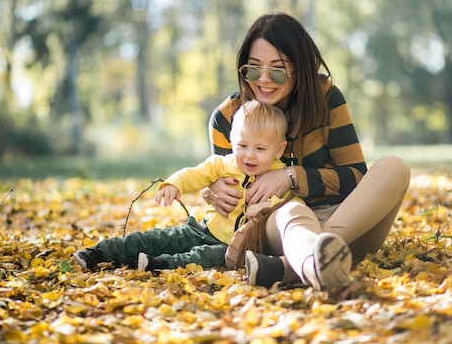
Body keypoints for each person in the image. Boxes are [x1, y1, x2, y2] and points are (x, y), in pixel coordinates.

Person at [203, 12, 411, 293]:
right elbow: (228, 190)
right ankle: (313, 261)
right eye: (253, 69)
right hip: (278, 225)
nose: (263, 80)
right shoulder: (227, 118)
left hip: (345, 222)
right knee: (291, 210)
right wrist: (211, 189)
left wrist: (291, 176)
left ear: (300, 68)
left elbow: (355, 177)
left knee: (394, 167)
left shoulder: (327, 100)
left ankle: (290, 267)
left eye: (277, 70)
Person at [73, 100, 299, 271]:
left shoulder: (278, 177)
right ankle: (99, 252)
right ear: (232, 140)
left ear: (278, 150)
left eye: (260, 149)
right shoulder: (223, 164)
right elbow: (195, 174)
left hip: (232, 247)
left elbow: (292, 205)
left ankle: (159, 265)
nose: (249, 155)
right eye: (242, 145)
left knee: (205, 257)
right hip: (201, 230)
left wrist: (267, 209)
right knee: (158, 238)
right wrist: (174, 185)